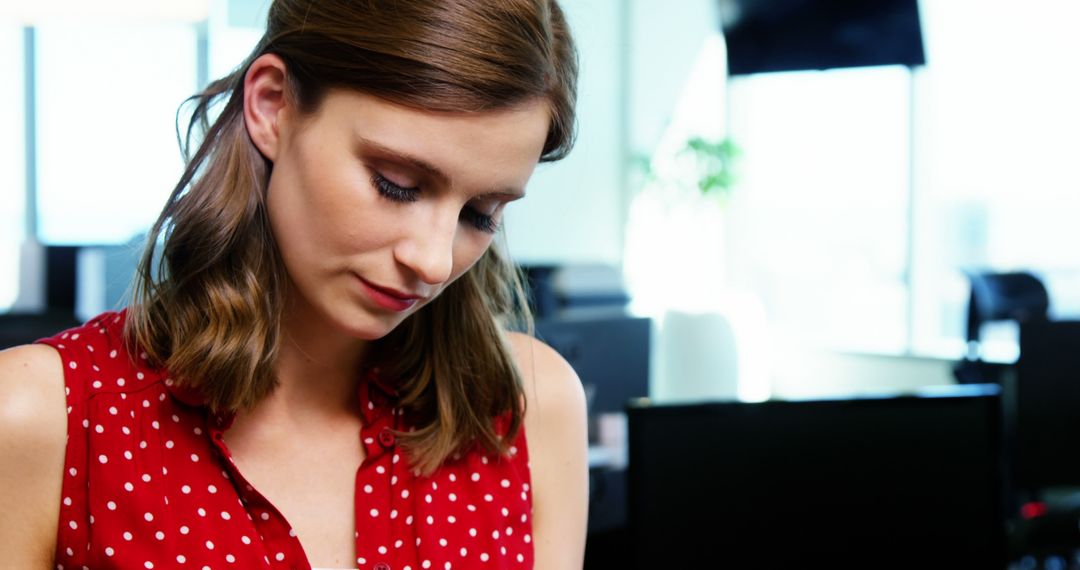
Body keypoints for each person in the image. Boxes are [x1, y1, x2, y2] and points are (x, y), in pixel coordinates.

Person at [0, 0, 588, 568]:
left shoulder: (529, 408)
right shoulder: (45, 419)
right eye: (396, 184)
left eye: (481, 214)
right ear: (273, 106)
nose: (433, 262)